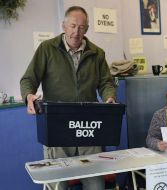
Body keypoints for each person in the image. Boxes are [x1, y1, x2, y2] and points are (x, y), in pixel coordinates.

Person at [20, 6, 116, 190]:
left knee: (95, 184)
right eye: (72, 25)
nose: (76, 31)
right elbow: (28, 79)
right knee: (57, 184)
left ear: (86, 29)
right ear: (63, 25)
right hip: (57, 126)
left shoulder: (98, 53)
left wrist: (109, 97)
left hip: (89, 128)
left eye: (81, 27)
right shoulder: (47, 49)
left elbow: (106, 83)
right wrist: (28, 96)